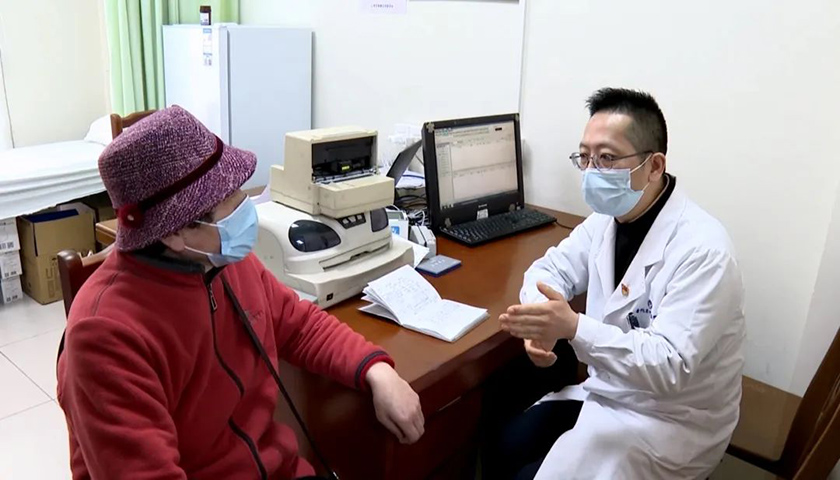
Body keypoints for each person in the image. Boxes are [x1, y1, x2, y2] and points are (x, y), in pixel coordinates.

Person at [57, 106, 425, 480]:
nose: (244, 207)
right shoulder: (105, 337)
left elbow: (299, 325)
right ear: (175, 233)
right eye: (228, 199)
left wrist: (376, 370)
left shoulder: (221, 261)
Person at [493, 88, 746, 479]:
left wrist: (573, 327)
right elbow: (549, 270)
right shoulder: (607, 220)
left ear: (654, 166)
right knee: (505, 446)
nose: (592, 171)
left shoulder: (704, 252)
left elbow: (669, 366)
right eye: (585, 157)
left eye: (607, 158)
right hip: (610, 393)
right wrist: (542, 321)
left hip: (670, 422)